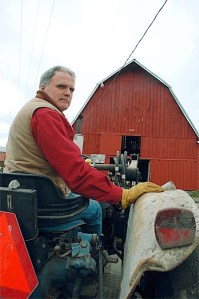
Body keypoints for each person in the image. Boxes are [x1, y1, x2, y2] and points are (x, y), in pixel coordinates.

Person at [4, 66, 163, 237]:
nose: (68, 93)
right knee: (95, 209)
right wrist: (121, 194)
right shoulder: (46, 115)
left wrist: (78, 162)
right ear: (42, 88)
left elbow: (43, 158)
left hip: (21, 194)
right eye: (61, 87)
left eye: (71, 89)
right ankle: (95, 256)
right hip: (44, 202)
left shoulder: (33, 109)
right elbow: (76, 174)